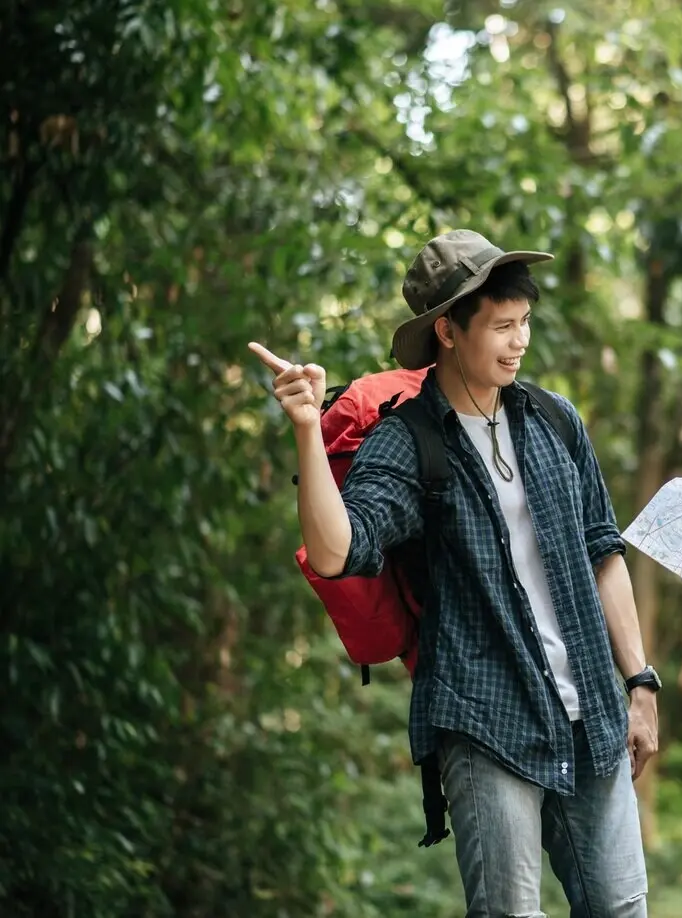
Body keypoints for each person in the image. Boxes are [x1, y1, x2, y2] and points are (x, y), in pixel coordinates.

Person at [249, 229, 660, 918]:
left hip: (590, 712)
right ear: (447, 330)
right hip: (483, 719)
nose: (518, 341)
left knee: (622, 909)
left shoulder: (555, 421)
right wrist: (304, 429)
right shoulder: (408, 441)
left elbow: (602, 551)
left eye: (524, 323)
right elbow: (337, 551)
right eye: (501, 326)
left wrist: (639, 681)